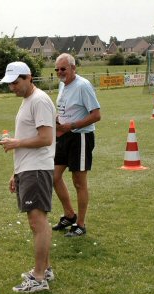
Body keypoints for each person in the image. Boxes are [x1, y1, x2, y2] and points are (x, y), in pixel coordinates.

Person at [0, 62, 56, 293]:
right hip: (28, 169)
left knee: (37, 222)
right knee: (36, 223)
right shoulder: (28, 101)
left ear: (28, 77)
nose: (12, 87)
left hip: (37, 169)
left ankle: (39, 277)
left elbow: (46, 138)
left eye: (16, 82)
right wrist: (16, 172)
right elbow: (30, 135)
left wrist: (16, 143)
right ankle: (46, 269)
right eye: (10, 83)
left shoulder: (39, 100)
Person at [52, 53, 101, 237]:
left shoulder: (83, 86)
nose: (60, 72)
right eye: (56, 69)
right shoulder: (62, 84)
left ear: (73, 68)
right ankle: (69, 215)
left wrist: (71, 125)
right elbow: (66, 109)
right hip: (64, 135)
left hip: (80, 137)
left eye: (63, 69)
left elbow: (96, 115)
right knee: (54, 176)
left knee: (79, 183)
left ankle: (80, 224)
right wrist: (58, 120)